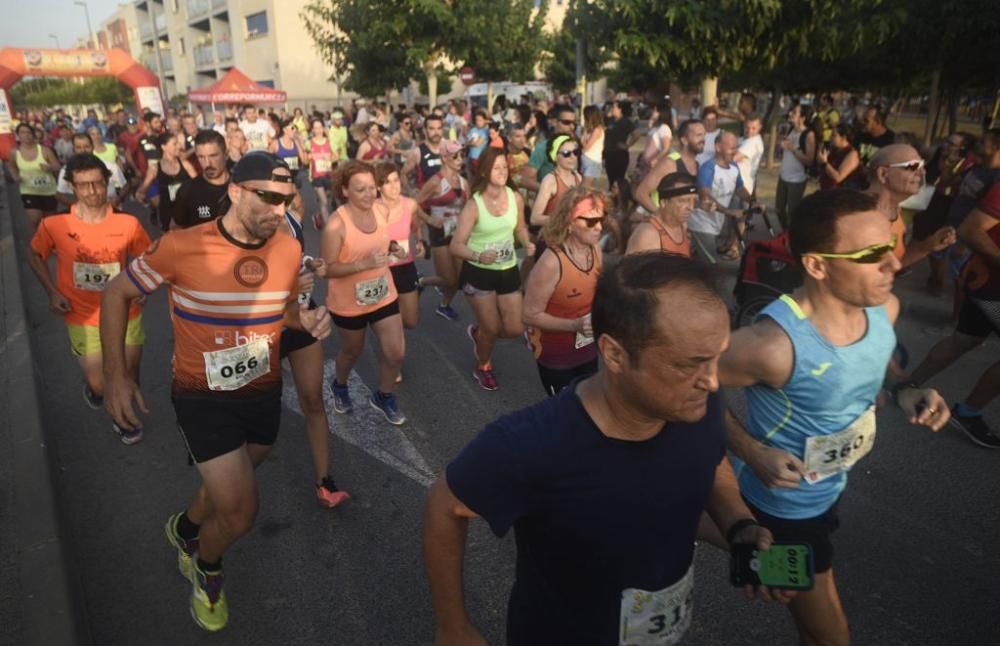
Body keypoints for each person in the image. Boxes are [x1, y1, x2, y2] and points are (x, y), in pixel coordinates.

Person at [425, 253, 791, 645]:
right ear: (615, 353)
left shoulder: (696, 404)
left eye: (717, 358)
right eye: (691, 364)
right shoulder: (531, 444)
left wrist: (739, 527)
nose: (714, 382)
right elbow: (445, 506)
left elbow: (710, 458)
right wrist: (454, 626)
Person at [101, 152, 331, 632]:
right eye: (268, 197)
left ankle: (184, 530)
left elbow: (283, 312)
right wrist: (119, 376)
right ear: (235, 192)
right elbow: (117, 293)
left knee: (230, 485)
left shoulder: (287, 248)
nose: (279, 209)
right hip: (200, 393)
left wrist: (302, 319)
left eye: (286, 199)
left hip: (262, 389)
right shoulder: (182, 246)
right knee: (242, 512)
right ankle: (207, 568)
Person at [720, 188, 949, 646]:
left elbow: (873, 363)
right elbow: (686, 389)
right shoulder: (771, 346)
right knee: (831, 636)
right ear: (818, 266)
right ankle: (731, 528)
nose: (892, 265)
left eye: (889, 246)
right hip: (784, 507)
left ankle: (702, 522)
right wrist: (751, 450)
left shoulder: (885, 308)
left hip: (829, 487)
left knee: (809, 620)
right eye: (870, 255)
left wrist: (903, 390)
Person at [28, 153, 149, 443]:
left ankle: (124, 421)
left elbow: (147, 258)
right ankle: (97, 391)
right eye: (83, 185)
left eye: (97, 183)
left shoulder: (128, 224)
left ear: (108, 182)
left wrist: (141, 286)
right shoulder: (54, 226)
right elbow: (34, 254)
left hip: (124, 312)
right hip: (82, 316)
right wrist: (52, 292)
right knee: (99, 381)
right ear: (72, 186)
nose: (92, 192)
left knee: (128, 374)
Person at [320, 160, 407, 425]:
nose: (370, 194)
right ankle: (340, 384)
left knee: (395, 352)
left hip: (383, 293)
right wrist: (362, 264)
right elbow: (326, 269)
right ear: (345, 191)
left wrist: (394, 248)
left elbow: (383, 239)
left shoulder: (380, 211)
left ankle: (384, 395)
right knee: (351, 350)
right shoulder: (336, 225)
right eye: (361, 189)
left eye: (372, 187)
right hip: (348, 302)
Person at [280, 192, 352, 507]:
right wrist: (292, 288)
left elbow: (298, 256)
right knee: (259, 410)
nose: (283, 193)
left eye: (285, 184)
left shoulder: (293, 216)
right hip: (266, 327)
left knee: (312, 398)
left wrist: (309, 262)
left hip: (303, 319)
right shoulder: (246, 225)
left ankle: (324, 481)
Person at [450, 147, 533, 391]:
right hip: (479, 272)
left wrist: (527, 242)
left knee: (515, 327)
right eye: (497, 168)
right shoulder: (474, 205)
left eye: (505, 167)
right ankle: (483, 365)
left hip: (507, 269)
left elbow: (519, 228)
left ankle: (479, 335)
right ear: (485, 171)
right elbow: (456, 246)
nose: (502, 172)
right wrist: (478, 255)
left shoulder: (515, 197)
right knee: (492, 327)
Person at [524, 187, 606, 395]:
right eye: (590, 221)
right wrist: (574, 325)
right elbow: (529, 315)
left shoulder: (594, 249)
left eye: (601, 218)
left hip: (588, 349)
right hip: (556, 355)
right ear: (570, 223)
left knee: (588, 406)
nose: (599, 227)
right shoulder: (552, 262)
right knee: (564, 415)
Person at [866, 144, 955, 269]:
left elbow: (892, 266)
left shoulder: (895, 211)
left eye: (923, 165)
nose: (922, 172)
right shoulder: (858, 214)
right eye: (913, 166)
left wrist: (927, 247)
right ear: (883, 173)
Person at [413, 139, 469, 322]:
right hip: (440, 234)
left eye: (462, 155)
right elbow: (414, 204)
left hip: (458, 233)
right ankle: (420, 282)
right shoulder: (436, 182)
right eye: (455, 156)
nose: (460, 159)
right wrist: (429, 220)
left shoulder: (463, 182)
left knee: (459, 279)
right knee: (449, 279)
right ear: (445, 158)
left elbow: (468, 208)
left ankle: (444, 306)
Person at [375, 161, 431, 332]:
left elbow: (415, 225)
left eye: (396, 180)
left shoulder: (410, 204)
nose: (394, 186)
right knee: (386, 324)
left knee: (411, 321)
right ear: (378, 187)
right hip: (380, 270)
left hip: (405, 266)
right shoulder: (371, 208)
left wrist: (419, 240)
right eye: (387, 182)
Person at [688, 131, 752, 261]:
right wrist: (729, 211)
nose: (735, 151)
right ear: (718, 147)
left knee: (702, 261)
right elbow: (706, 197)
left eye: (736, 147)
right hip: (701, 224)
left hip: (715, 223)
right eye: (731, 148)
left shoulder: (734, 167)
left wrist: (753, 202)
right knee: (711, 263)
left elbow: (740, 189)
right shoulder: (708, 168)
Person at [634, 118, 705, 214]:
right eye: (698, 135)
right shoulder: (670, 163)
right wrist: (661, 218)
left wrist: (702, 205)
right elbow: (641, 193)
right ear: (684, 140)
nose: (703, 139)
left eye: (704, 135)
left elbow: (685, 198)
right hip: (659, 225)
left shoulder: (696, 165)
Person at [626, 172, 698, 257]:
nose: (691, 207)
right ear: (664, 202)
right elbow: (630, 269)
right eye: (683, 201)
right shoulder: (648, 235)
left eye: (694, 201)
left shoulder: (681, 225)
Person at [172, 130, 232, 229]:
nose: (207, 163)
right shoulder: (187, 191)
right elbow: (176, 228)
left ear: (226, 154)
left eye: (213, 156)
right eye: (201, 157)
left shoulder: (241, 185)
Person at [137, 132, 197, 230]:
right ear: (164, 147)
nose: (179, 146)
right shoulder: (155, 168)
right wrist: (142, 192)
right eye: (174, 144)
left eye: (178, 143)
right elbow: (143, 189)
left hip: (186, 210)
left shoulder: (185, 164)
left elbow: (198, 183)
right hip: (168, 213)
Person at [7, 122, 60, 230]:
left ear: (33, 135)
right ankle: (38, 241)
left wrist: (49, 167)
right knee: (34, 219)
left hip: (48, 190)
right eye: (22, 132)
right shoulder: (14, 153)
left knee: (50, 221)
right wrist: (15, 176)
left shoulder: (45, 150)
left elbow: (57, 166)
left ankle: (50, 241)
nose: (26, 135)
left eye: (29, 132)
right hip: (28, 191)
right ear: (18, 135)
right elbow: (11, 167)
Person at [56, 133, 127, 210]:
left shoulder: (110, 166)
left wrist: (118, 199)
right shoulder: (66, 170)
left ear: (92, 147)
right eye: (78, 147)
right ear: (74, 149)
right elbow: (60, 195)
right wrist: (79, 206)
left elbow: (125, 185)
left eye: (86, 147)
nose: (83, 150)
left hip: (111, 211)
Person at [775, 104, 815, 231]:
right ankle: (786, 233)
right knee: (779, 209)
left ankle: (790, 238)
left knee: (792, 213)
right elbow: (784, 149)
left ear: (802, 118)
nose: (790, 113)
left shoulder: (809, 135)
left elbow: (809, 160)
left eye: (795, 112)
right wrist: (780, 143)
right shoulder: (791, 129)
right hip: (783, 176)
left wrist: (793, 148)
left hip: (797, 180)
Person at [530, 135, 582, 232]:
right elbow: (534, 218)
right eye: (566, 154)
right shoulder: (550, 180)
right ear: (555, 157)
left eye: (575, 152)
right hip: (554, 237)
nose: (573, 157)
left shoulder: (577, 177)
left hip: (573, 236)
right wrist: (563, 221)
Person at [302, 117, 337, 230]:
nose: (318, 130)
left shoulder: (329, 141)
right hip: (316, 176)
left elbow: (336, 156)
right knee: (324, 201)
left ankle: (318, 215)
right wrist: (310, 157)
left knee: (329, 197)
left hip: (328, 175)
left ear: (323, 128)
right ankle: (329, 229)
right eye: (315, 128)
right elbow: (305, 160)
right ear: (312, 130)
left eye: (320, 127)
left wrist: (329, 158)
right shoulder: (309, 143)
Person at [602, 100, 639, 191]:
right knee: (611, 179)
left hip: (619, 153)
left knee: (618, 180)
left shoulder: (625, 121)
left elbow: (636, 134)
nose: (612, 109)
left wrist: (627, 145)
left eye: (614, 107)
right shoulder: (611, 120)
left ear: (620, 109)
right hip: (609, 153)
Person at [817, 123, 863, 190]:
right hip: (826, 189)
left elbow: (838, 177)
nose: (830, 138)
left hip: (838, 194)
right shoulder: (834, 149)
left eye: (833, 135)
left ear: (843, 138)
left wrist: (824, 163)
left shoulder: (852, 154)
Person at [734, 113, 765, 199]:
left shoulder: (753, 142)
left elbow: (733, 158)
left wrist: (732, 151)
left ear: (760, 127)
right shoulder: (743, 139)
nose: (750, 131)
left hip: (743, 187)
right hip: (738, 185)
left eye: (753, 128)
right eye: (747, 128)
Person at [640, 99, 674, 176]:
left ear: (661, 113)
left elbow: (666, 147)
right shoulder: (655, 128)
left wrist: (656, 160)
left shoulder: (664, 128)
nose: (653, 112)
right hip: (648, 166)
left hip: (655, 166)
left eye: (655, 110)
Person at [579, 106, 605, 188]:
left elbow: (586, 147)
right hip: (586, 159)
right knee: (585, 186)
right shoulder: (590, 129)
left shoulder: (597, 130)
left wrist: (582, 137)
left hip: (592, 160)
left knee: (585, 187)